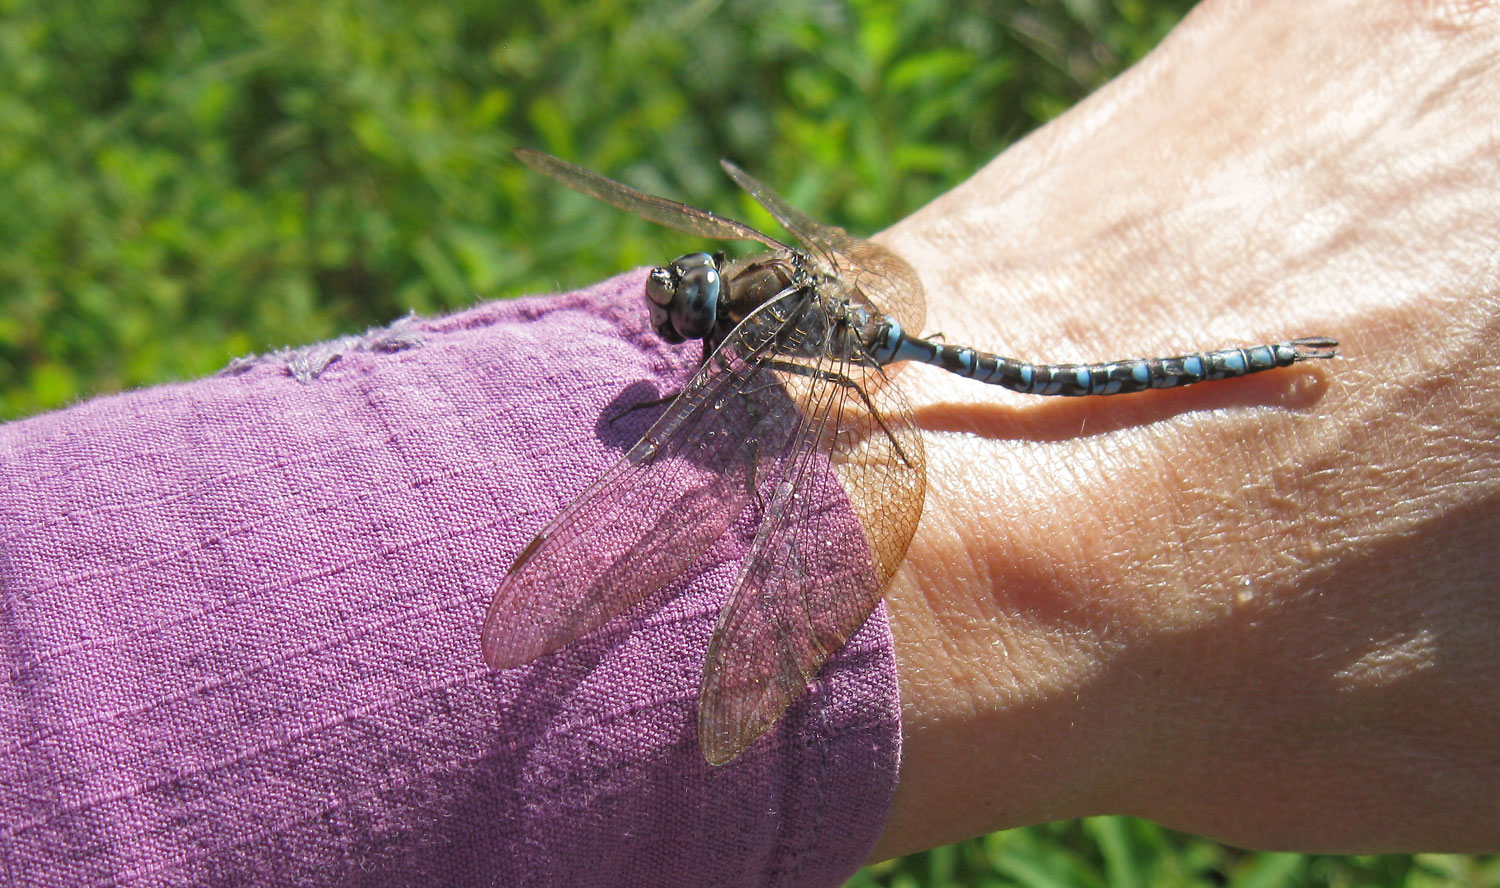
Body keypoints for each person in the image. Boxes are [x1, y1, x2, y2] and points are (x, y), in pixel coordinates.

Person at [1, 1, 1495, 885]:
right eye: (698, 293)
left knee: (1004, 383)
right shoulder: (762, 301)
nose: (682, 299)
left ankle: (1251, 360)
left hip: (941, 359)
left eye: (699, 295)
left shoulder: (767, 383)